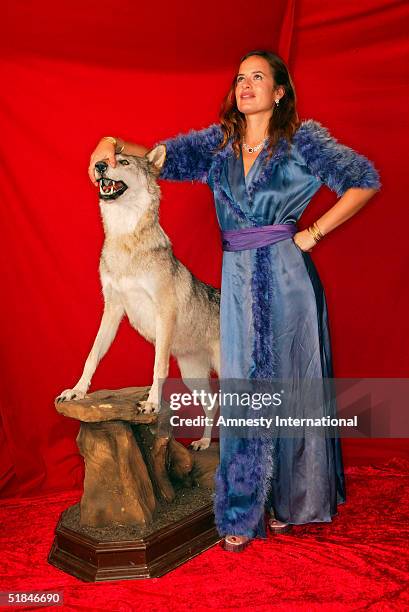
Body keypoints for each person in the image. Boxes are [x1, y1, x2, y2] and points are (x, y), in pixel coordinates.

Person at [88, 50, 381, 552]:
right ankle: (242, 512)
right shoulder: (218, 147)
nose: (245, 85)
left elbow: (364, 180)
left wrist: (312, 232)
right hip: (239, 279)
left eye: (258, 77)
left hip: (289, 277)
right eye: (240, 77)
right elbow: (157, 157)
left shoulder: (303, 142)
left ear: (279, 91)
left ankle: (297, 501)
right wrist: (111, 144)